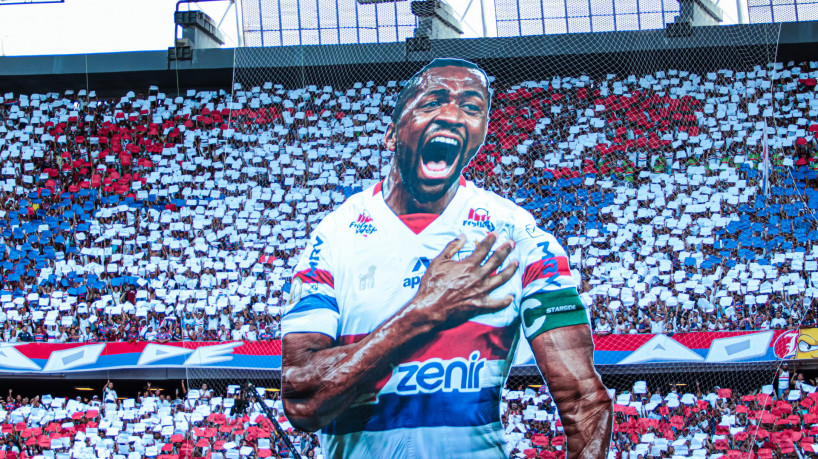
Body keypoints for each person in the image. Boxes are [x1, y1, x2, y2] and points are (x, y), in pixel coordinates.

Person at [281, 58, 612, 458]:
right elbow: (302, 401)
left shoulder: (516, 235)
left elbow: (584, 401)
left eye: (472, 107)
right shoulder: (334, 236)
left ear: (480, 135)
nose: (453, 115)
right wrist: (423, 313)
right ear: (391, 135)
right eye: (433, 101)